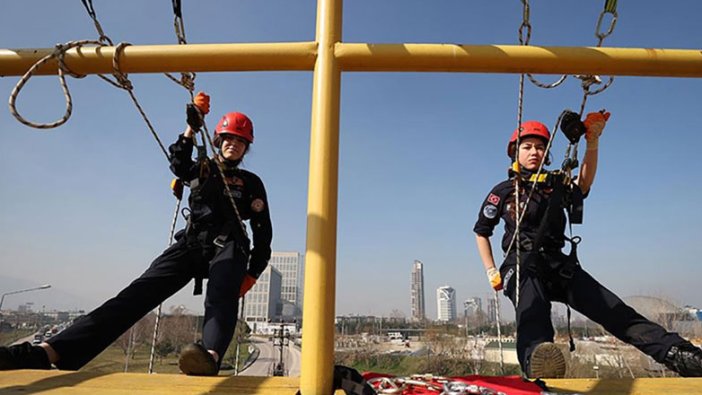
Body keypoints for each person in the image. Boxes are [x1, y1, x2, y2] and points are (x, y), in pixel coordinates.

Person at [0, 92, 272, 376]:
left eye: (240, 141)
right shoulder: (202, 168)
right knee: (135, 296)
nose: (234, 144)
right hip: (192, 243)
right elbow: (178, 163)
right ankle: (47, 352)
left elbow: (263, 234)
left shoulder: (251, 183)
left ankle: (209, 357)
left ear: (246, 148)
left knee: (221, 297)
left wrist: (252, 273)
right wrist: (191, 128)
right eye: (229, 138)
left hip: (228, 246)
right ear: (217, 140)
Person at [473, 112, 702, 379]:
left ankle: (678, 354)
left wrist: (592, 142)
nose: (534, 152)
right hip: (521, 261)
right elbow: (482, 232)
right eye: (527, 147)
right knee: (532, 306)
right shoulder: (502, 191)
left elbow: (584, 183)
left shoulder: (556, 184)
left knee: (614, 310)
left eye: (539, 147)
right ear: (515, 152)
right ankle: (538, 357)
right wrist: (492, 270)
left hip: (558, 263)